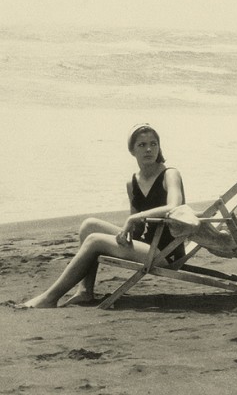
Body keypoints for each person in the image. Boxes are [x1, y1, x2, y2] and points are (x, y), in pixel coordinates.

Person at [23, 123, 186, 308]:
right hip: (147, 245)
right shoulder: (132, 182)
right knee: (89, 225)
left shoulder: (170, 174)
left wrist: (133, 218)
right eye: (142, 145)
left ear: (159, 146)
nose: (149, 149)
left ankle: (49, 298)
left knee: (95, 240)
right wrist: (127, 232)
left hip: (166, 252)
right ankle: (84, 291)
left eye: (153, 144)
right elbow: (138, 229)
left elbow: (174, 206)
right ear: (132, 150)